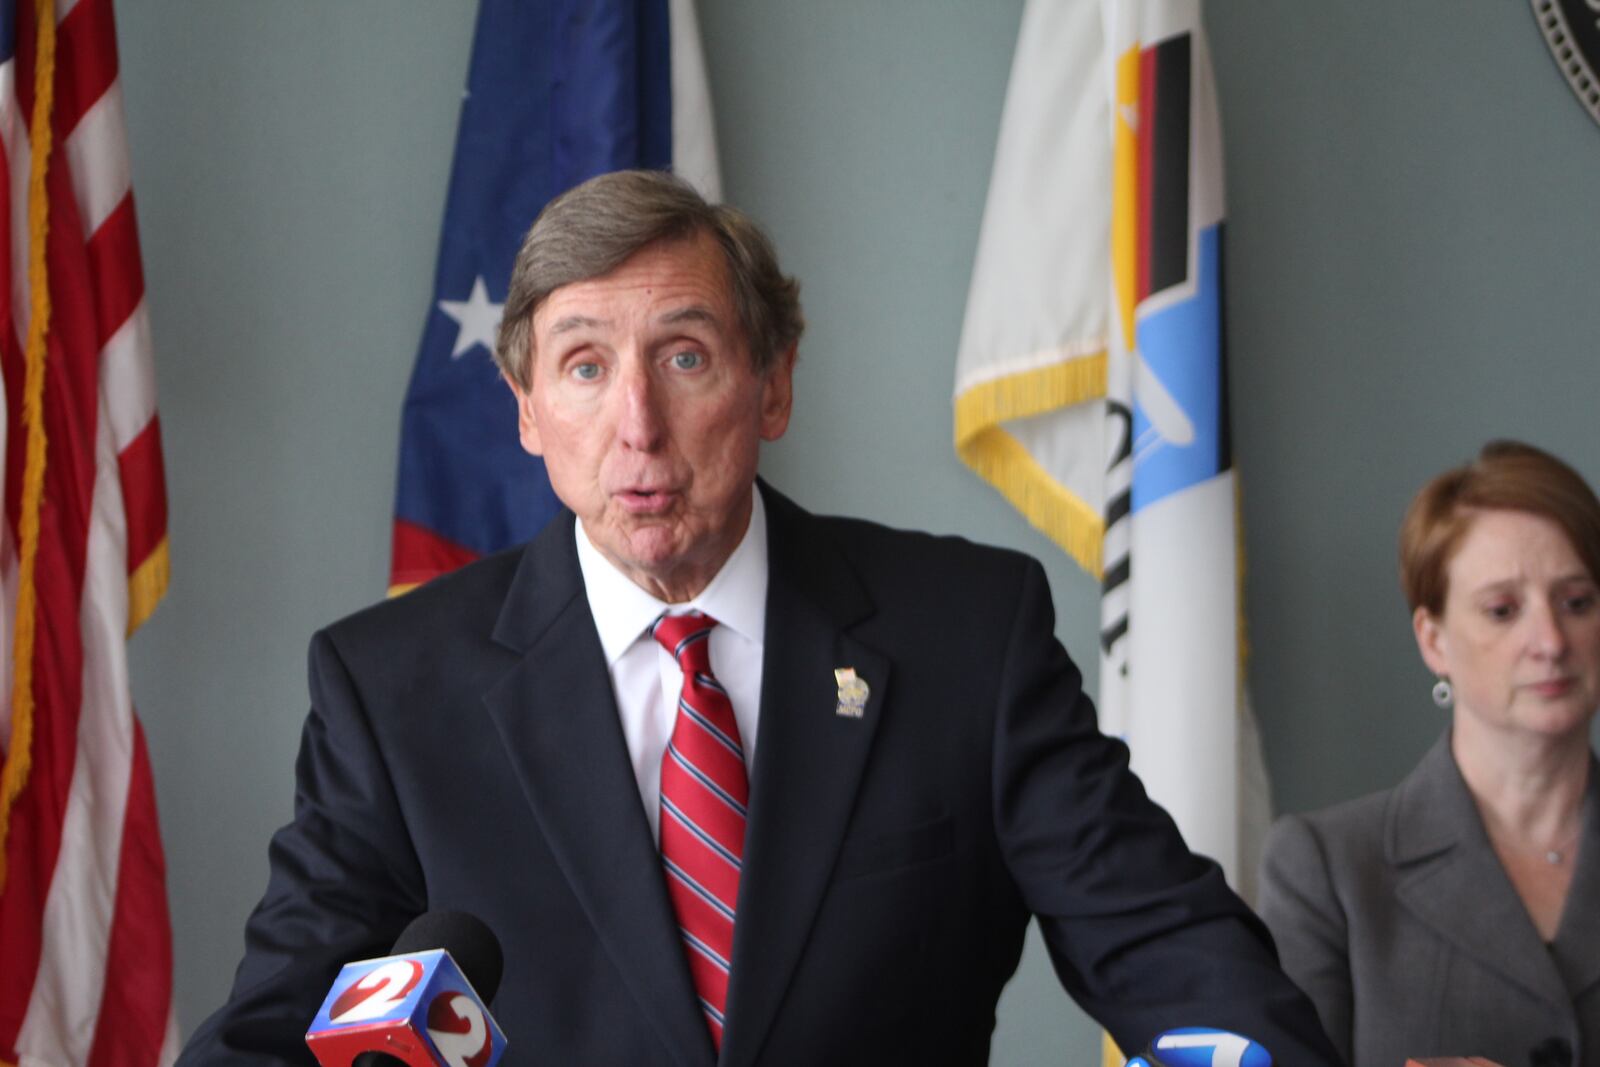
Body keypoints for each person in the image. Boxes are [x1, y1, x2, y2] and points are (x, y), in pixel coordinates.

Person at [178, 170, 1340, 1065]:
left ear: (771, 382)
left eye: (683, 356)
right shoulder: (393, 688)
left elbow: (1170, 952)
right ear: (526, 410)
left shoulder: (965, 637)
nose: (636, 423)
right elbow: (274, 1027)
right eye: (583, 366)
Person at [1260, 440, 1600, 1067]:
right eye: (1503, 610)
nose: (1550, 640)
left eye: (1576, 602)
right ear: (1434, 640)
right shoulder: (1325, 869)